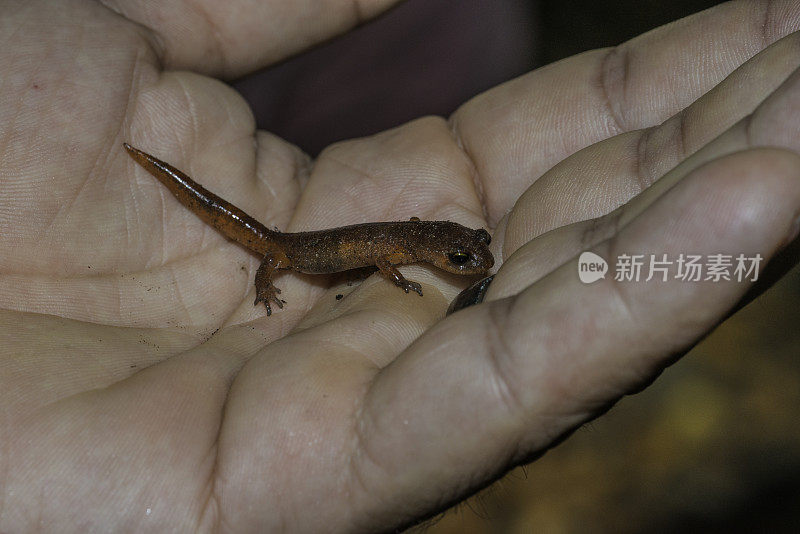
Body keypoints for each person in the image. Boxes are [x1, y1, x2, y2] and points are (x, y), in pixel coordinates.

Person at [1, 1, 799, 531]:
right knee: (263, 248)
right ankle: (192, 201)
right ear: (432, 248)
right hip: (283, 248)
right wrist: (273, 279)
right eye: (463, 258)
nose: (467, 264)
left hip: (316, 237)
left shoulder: (412, 239)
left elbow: (401, 245)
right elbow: (383, 253)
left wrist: (417, 263)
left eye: (466, 257)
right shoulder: (389, 247)